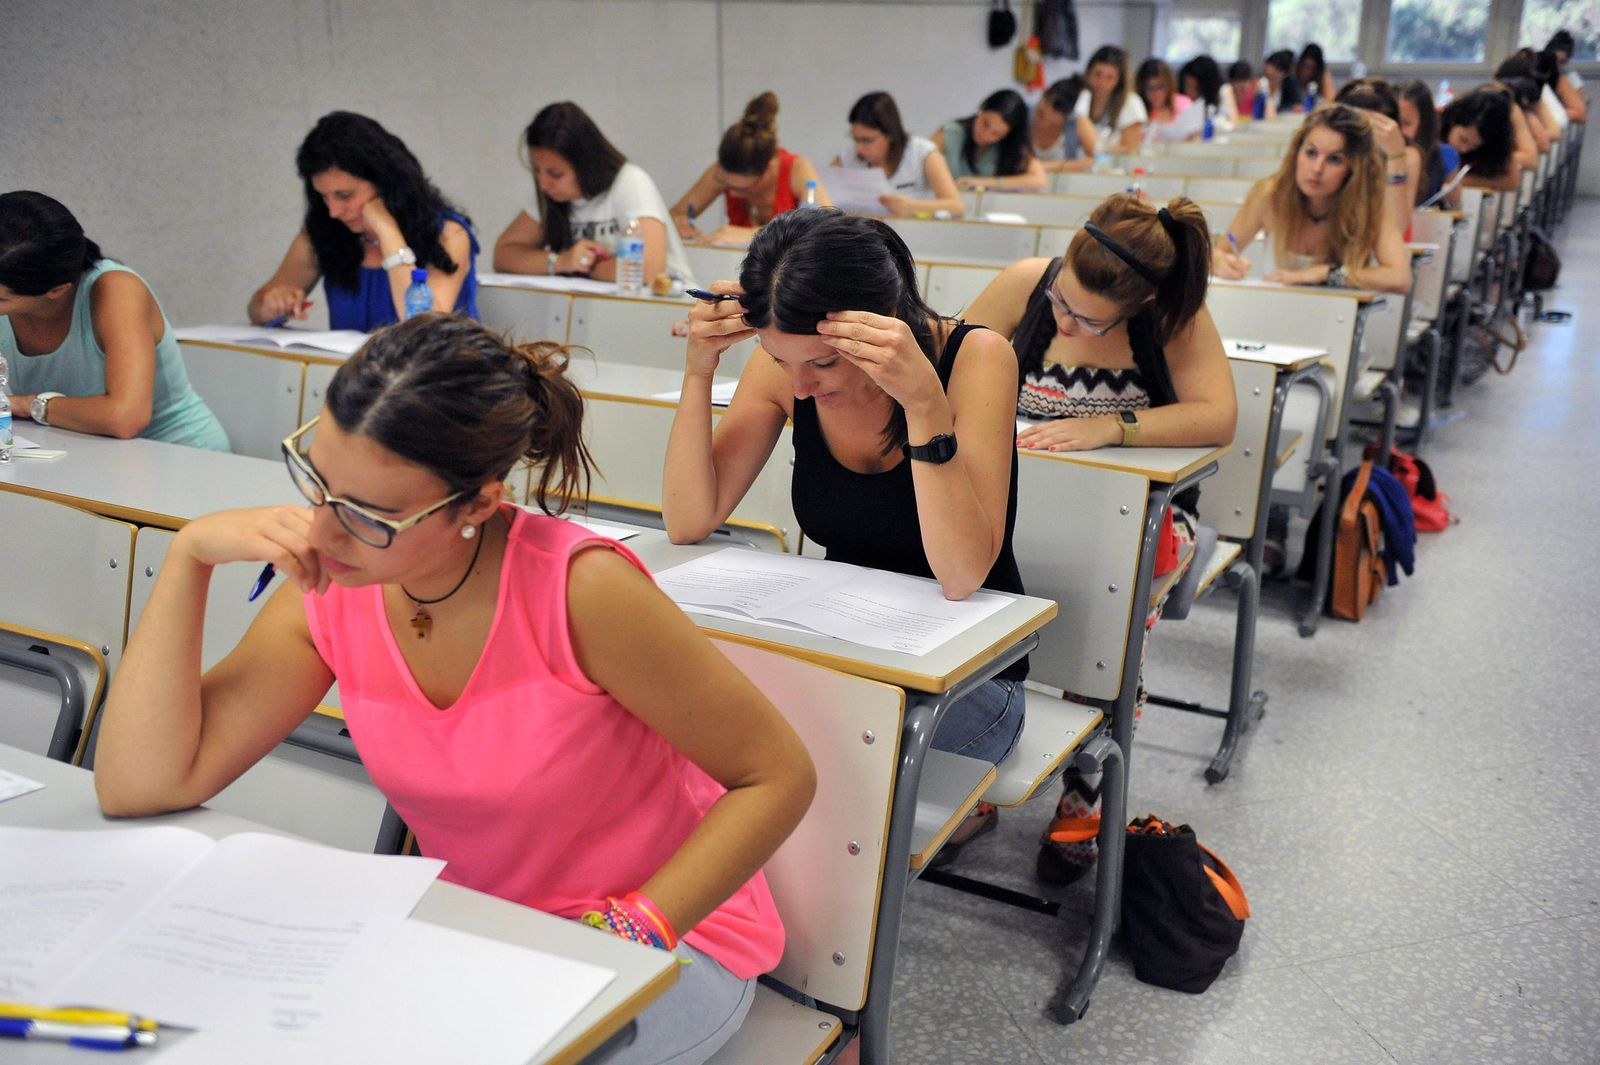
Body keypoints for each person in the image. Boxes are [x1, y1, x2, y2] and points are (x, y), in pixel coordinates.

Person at [93, 313, 816, 1065]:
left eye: (372, 515)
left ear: (477, 504)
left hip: (660, 942)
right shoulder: (339, 580)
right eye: (320, 483)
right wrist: (189, 558)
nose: (326, 532)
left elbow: (776, 775)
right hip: (479, 936)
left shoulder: (581, 590)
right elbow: (142, 783)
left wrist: (629, 933)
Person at [662, 208, 1027, 856]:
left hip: (965, 682)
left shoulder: (975, 360)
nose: (799, 383)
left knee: (776, 757)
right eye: (779, 358)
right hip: (844, 651)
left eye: (824, 363)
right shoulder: (788, 364)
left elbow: (962, 573)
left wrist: (923, 404)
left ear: (877, 328)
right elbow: (690, 520)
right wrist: (698, 374)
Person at [963, 194, 1236, 881]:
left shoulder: (1173, 320)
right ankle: (969, 769)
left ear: (1136, 306)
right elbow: (951, 359)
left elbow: (1219, 416)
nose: (1062, 319)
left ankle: (1084, 788)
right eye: (1061, 300)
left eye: (1085, 318)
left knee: (1110, 619)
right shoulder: (1028, 283)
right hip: (1017, 503)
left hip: (1140, 522)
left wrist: (1117, 427)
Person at [0, 191, 229, 451]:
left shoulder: (116, 291)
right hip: (85, 453)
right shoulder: (15, 290)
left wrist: (27, 404)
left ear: (57, 290)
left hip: (179, 456)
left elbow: (125, 417)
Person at [249, 112, 479, 332]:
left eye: (344, 195)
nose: (333, 211)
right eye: (323, 197)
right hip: (358, 371)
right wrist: (270, 305)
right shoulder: (325, 233)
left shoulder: (449, 233)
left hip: (443, 370)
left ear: (385, 183)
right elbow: (256, 308)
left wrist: (387, 230)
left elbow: (422, 325)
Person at [1211, 104, 1412, 295]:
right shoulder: (1269, 195)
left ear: (1353, 169)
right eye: (1311, 153)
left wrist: (1325, 274)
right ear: (1296, 153)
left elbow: (1400, 278)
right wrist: (1220, 260)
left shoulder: (1368, 206)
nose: (1317, 169)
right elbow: (1224, 249)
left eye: (1334, 159)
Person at [493, 101, 695, 287]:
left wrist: (586, 267)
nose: (544, 184)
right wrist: (560, 261)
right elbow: (504, 254)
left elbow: (648, 270)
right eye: (536, 171)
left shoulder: (629, 182)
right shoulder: (552, 193)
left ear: (585, 164)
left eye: (556, 174)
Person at [671, 92, 830, 247]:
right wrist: (679, 224)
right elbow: (676, 214)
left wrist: (754, 234)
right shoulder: (723, 171)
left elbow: (826, 227)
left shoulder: (795, 168)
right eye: (726, 184)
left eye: (743, 189)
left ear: (769, 168)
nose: (733, 193)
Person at [832, 91, 964, 217]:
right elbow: (821, 193)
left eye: (867, 140)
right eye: (855, 139)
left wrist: (910, 206)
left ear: (890, 134)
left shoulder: (923, 153)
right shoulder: (848, 157)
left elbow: (956, 207)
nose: (859, 148)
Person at [1335, 78, 1420, 235]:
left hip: (1385, 248)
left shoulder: (1406, 156)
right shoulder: (1329, 156)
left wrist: (1395, 155)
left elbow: (1398, 228)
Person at [930, 89, 1048, 190]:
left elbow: (1039, 180)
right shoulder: (949, 132)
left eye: (996, 134)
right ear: (982, 109)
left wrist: (984, 182)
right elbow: (922, 165)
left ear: (1007, 134)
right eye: (985, 124)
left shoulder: (1011, 144)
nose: (985, 135)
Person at [1440, 87, 1526, 193]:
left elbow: (1512, 181)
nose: (1464, 149)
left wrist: (1460, 181)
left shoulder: (1494, 145)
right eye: (1463, 139)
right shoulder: (1435, 127)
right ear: (1454, 120)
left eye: (1474, 146)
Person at [1076, 46, 1147, 151]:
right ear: (1089, 72)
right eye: (1097, 74)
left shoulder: (1131, 103)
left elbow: (1130, 149)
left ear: (1119, 81)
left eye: (1109, 78)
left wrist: (1100, 150)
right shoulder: (1079, 95)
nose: (1101, 83)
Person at [1396, 79, 1455, 206]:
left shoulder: (1444, 156)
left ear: (1424, 124)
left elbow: (1456, 207)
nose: (1396, 130)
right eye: (1393, 122)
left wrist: (1450, 198)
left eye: (1406, 123)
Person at [1031, 76, 1099, 172]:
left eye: (1051, 113)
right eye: (1040, 113)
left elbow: (1095, 159)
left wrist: (1046, 166)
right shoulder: (1025, 115)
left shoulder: (1078, 123)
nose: (1042, 121)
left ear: (1066, 115)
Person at [1136, 57, 1194, 142]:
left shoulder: (1183, 104)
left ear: (1169, 84)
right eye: (1149, 88)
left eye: (1159, 87)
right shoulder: (1137, 107)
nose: (1155, 93)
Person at [1180, 55, 1239, 130]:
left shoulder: (1223, 90)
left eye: (1196, 87)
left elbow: (1233, 123)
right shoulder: (1180, 97)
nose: (1189, 92)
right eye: (1187, 85)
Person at [1545, 30, 1589, 118]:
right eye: (1553, 60)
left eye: (1562, 62)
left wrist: (1553, 112)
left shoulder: (1570, 76)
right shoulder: (1539, 71)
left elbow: (1580, 113)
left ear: (1567, 60)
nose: (1556, 65)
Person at [1295, 43, 1336, 108]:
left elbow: (1331, 103)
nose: (1307, 72)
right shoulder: (1292, 77)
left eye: (1312, 69)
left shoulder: (1323, 77)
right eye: (1305, 66)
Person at [1263, 50, 1301, 116]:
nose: (1269, 80)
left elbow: (1296, 106)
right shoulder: (1261, 84)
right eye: (1266, 75)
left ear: (1284, 74)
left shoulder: (1290, 84)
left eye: (1272, 77)